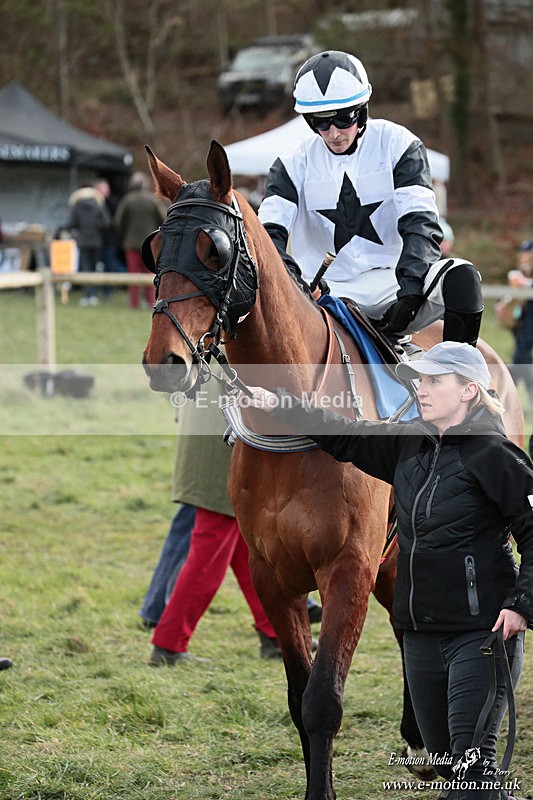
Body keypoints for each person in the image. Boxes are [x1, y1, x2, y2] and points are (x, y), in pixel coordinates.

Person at [245, 341, 532, 799]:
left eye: (435, 381)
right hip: (420, 636)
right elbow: (343, 433)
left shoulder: (495, 455)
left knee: (470, 777)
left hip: (480, 635)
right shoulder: (408, 444)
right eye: (419, 380)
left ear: (469, 391)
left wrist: (521, 605)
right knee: (445, 762)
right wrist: (280, 405)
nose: (421, 389)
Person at [258, 50, 483, 346]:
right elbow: (266, 238)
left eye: (342, 118)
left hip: (395, 286)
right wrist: (296, 285)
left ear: (362, 109)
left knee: (463, 278)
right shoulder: (289, 164)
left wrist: (412, 289)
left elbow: (420, 223)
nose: (334, 133)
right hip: (323, 297)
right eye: (320, 122)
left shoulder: (400, 144)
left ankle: (459, 376)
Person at [148, 380, 283, 664]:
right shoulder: (232, 338)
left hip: (213, 446)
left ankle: (275, 634)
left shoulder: (216, 338)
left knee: (245, 551)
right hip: (221, 452)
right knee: (207, 559)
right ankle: (168, 645)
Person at [139, 503, 322, 628]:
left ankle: (274, 629)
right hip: (220, 467)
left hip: (224, 465)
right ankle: (168, 639)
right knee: (208, 555)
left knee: (247, 547)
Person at [114, 171, 167, 309]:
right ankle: (150, 302)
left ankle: (134, 303)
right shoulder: (153, 200)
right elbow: (163, 219)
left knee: (132, 275)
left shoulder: (127, 200)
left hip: (130, 243)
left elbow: (118, 222)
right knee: (150, 274)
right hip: (150, 243)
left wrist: (124, 235)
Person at [67, 182, 111, 306]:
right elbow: (107, 222)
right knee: (95, 267)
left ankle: (88, 295)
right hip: (97, 242)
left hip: (83, 241)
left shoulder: (76, 206)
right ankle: (95, 295)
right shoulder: (98, 205)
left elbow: (71, 224)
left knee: (86, 268)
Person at [507, 241, 533, 407]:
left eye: (527, 252)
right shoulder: (522, 270)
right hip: (524, 318)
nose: (524, 255)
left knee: (520, 357)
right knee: (524, 359)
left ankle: (509, 398)